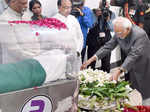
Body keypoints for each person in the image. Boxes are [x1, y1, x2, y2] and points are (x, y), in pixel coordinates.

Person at [81, 17, 150, 101]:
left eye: (119, 33)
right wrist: (91, 59)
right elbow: (108, 46)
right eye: (116, 32)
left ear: (128, 29)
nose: (117, 35)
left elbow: (133, 55)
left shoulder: (139, 34)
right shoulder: (119, 31)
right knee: (133, 86)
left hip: (143, 63)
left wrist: (118, 70)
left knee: (145, 88)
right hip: (130, 63)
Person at [86, 0, 115, 72]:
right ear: (99, 5)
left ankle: (105, 81)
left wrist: (108, 19)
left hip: (106, 41)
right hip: (93, 40)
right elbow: (90, 25)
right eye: (102, 5)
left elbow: (112, 29)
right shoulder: (93, 12)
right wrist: (96, 16)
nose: (103, 7)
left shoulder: (111, 14)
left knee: (106, 64)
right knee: (91, 64)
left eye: (105, 5)